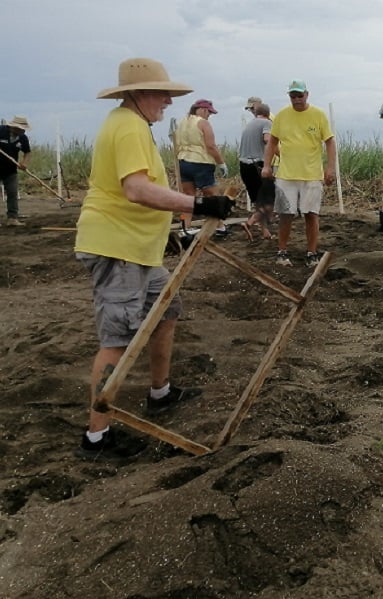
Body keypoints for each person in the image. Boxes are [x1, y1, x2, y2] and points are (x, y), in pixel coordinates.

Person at [74, 57, 234, 459]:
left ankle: (160, 393)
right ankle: (96, 437)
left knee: (166, 310)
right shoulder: (127, 126)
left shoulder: (133, 124)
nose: (167, 100)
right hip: (117, 247)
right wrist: (199, 205)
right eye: (161, 93)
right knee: (118, 338)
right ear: (137, 93)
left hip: (139, 248)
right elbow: (137, 190)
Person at [262, 80, 336, 268]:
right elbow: (272, 142)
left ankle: (311, 253)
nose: (296, 99)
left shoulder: (318, 115)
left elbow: (329, 142)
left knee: (311, 214)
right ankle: (282, 251)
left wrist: (330, 168)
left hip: (311, 175)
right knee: (286, 214)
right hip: (286, 175)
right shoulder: (281, 116)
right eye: (293, 96)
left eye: (299, 96)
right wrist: (266, 166)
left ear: (306, 95)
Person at [176, 98, 229, 235]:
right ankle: (219, 226)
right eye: (209, 113)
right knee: (212, 196)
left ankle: (185, 227)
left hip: (183, 162)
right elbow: (210, 146)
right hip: (201, 163)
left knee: (188, 197)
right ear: (203, 110)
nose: (209, 115)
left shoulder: (182, 122)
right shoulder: (203, 123)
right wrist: (221, 162)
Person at [240, 103, 276, 240]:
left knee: (258, 200)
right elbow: (268, 140)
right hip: (257, 165)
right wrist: (278, 154)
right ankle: (249, 223)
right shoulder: (266, 123)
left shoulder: (250, 125)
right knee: (269, 200)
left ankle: (265, 231)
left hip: (244, 166)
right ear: (268, 114)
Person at [0, 115, 32, 227]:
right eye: (20, 128)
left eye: (23, 129)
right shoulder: (1, 131)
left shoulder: (23, 138)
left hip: (10, 170)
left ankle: (12, 218)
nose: (22, 131)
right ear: (13, 127)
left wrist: (24, 163)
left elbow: (27, 152)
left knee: (13, 193)